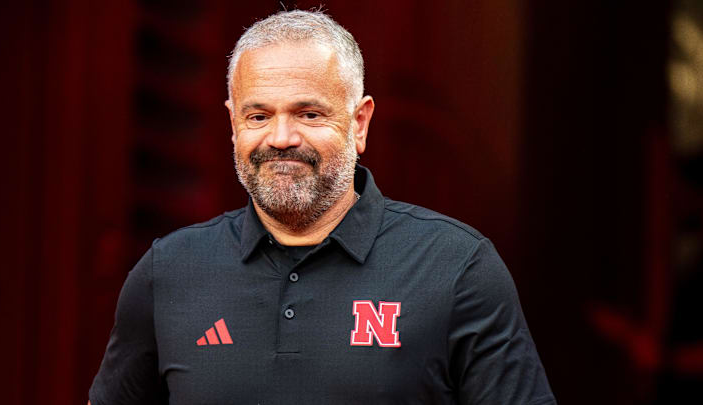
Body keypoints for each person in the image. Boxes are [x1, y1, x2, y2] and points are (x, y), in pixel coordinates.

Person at [88, 9, 556, 405]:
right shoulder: (168, 273)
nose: (281, 138)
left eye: (309, 114)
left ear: (360, 123)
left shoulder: (456, 268)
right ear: (233, 123)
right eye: (258, 116)